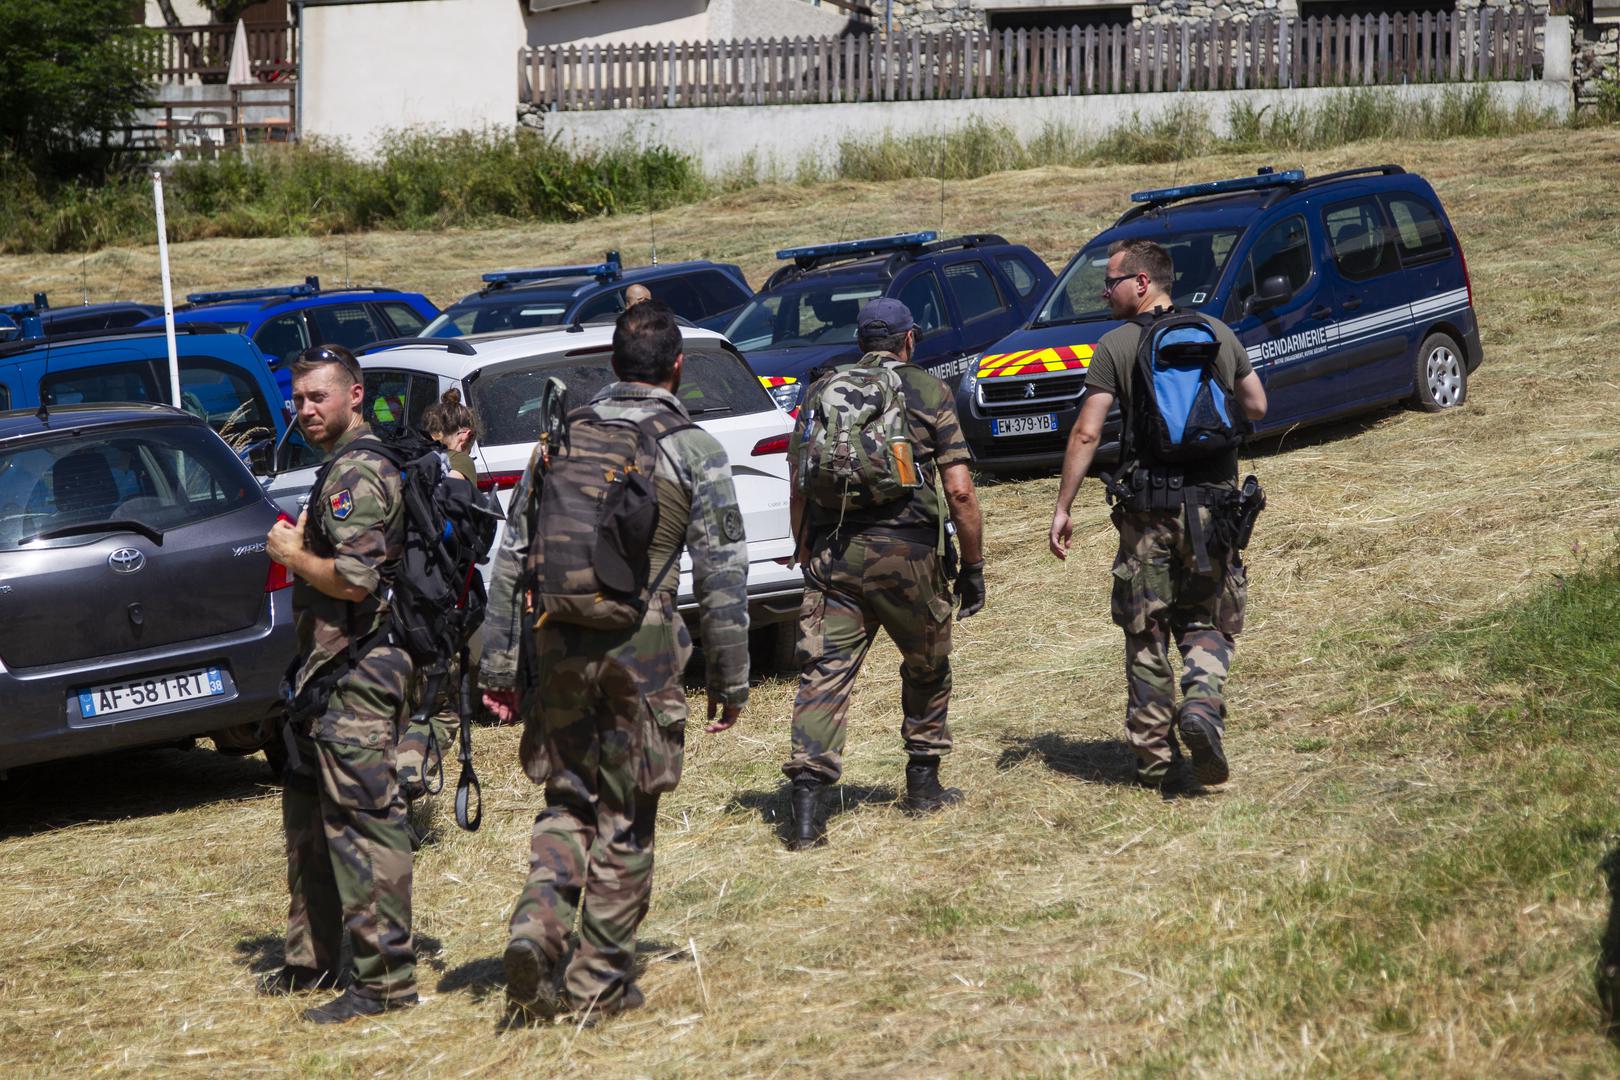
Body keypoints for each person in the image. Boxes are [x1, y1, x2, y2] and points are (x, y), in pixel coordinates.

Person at [479, 300, 750, 1023]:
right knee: (626, 815)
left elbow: (512, 555)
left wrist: (498, 665)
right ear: (678, 368)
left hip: (557, 642)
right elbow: (722, 572)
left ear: (613, 364)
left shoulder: (560, 438)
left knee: (568, 801)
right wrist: (731, 678)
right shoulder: (691, 448)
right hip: (644, 651)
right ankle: (597, 981)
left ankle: (536, 928)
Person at [1048, 239, 1268, 790]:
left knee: (1146, 633)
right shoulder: (1217, 331)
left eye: (1113, 280)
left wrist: (1063, 506)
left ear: (1142, 283)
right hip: (1216, 511)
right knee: (1208, 621)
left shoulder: (1116, 345)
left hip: (1149, 515)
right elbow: (1258, 406)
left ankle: (1154, 762)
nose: (1105, 291)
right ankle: (1201, 704)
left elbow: (1087, 431)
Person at [782, 297, 986, 851]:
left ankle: (805, 812)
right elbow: (961, 492)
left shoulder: (821, 391)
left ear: (860, 340)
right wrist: (973, 568)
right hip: (908, 555)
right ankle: (923, 786)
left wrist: (805, 548)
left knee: (825, 674)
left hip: (833, 554)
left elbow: (798, 481)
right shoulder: (927, 390)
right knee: (926, 664)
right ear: (909, 340)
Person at [263, 344, 417, 1023]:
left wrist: (295, 556)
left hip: (362, 668)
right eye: (298, 399)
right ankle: (319, 958)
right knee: (317, 822)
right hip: (330, 670)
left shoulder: (357, 473)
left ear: (355, 395)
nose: (305, 410)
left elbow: (356, 581)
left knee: (363, 827)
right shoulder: (341, 467)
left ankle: (384, 981)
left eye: (318, 396)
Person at [395, 388, 485, 807]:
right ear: (463, 434)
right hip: (437, 604)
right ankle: (408, 769)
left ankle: (392, 810)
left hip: (396, 604)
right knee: (440, 710)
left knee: (402, 708)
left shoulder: (402, 463)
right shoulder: (457, 465)